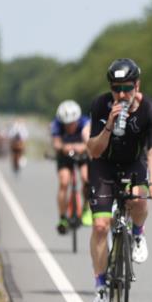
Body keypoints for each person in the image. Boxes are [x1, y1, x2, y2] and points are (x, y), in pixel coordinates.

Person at [85, 58, 152, 302]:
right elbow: (93, 150)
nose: (122, 94)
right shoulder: (100, 105)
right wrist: (109, 124)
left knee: (139, 200)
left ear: (137, 84)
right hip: (103, 165)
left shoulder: (150, 109)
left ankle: (138, 234)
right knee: (100, 226)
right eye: (116, 88)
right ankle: (100, 287)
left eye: (127, 88)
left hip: (133, 163)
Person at [51, 100, 92, 234]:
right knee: (64, 182)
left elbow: (92, 142)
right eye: (66, 124)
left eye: (72, 123)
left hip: (83, 155)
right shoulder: (56, 124)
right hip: (65, 156)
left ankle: (86, 209)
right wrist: (63, 147)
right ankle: (63, 217)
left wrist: (81, 147)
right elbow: (56, 143)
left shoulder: (85, 122)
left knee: (87, 178)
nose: (69, 127)